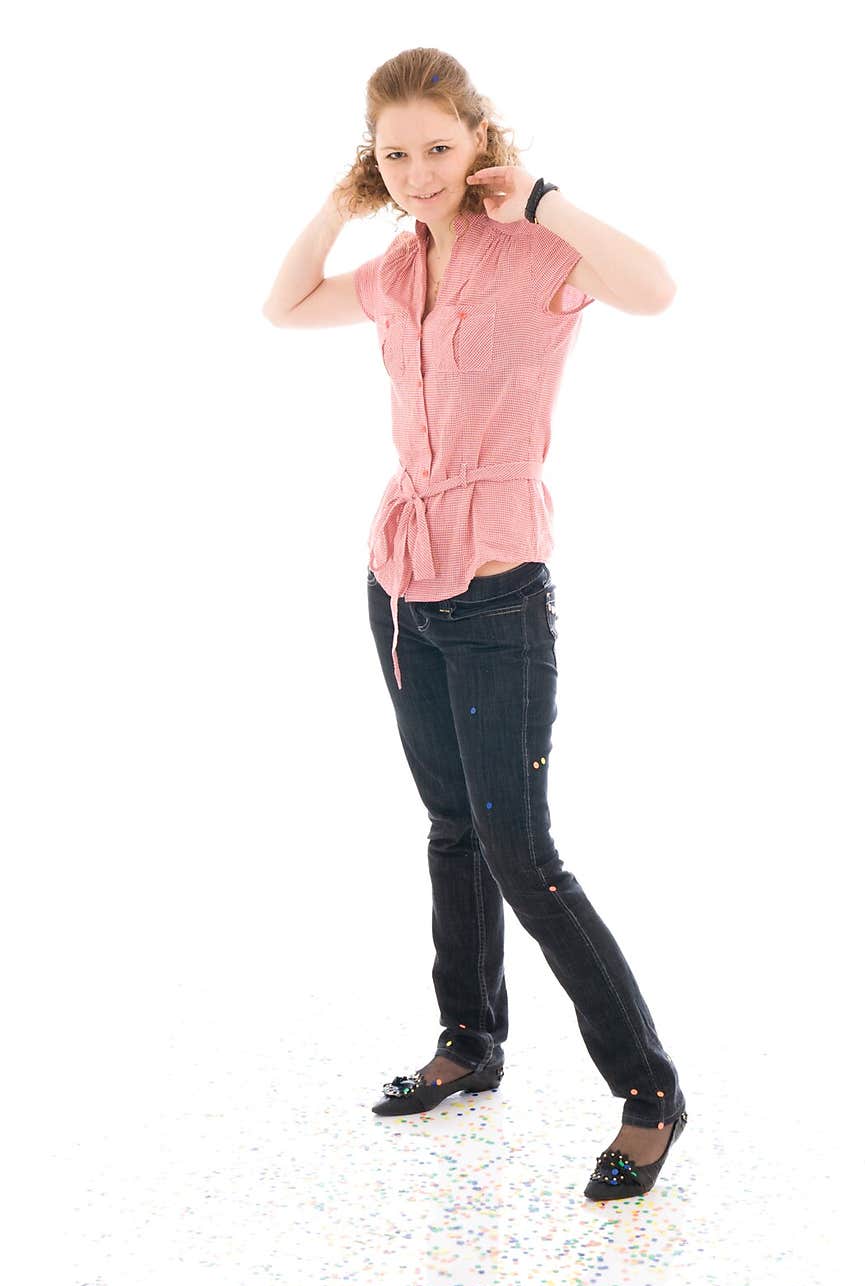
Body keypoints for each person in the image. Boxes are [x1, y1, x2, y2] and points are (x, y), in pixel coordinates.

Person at [263, 48, 688, 1201]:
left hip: (497, 589)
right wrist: (336, 204)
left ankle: (648, 1091)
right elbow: (282, 303)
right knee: (451, 828)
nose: (415, 172)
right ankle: (472, 1041)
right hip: (398, 582)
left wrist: (540, 195)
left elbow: (654, 288)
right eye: (392, 153)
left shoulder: (540, 253)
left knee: (523, 855)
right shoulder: (396, 272)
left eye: (436, 149)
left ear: (478, 143)